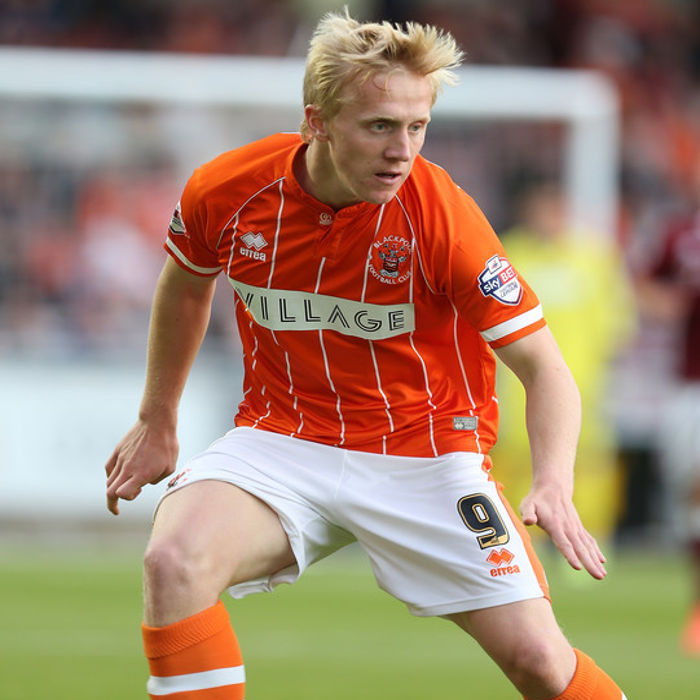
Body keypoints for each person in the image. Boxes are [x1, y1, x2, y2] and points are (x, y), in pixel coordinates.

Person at [105, 10, 627, 700]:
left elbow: (545, 368)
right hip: (284, 438)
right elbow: (184, 283)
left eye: (417, 126)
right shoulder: (228, 190)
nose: (401, 150)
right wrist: (158, 417)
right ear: (316, 121)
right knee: (172, 562)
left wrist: (554, 480)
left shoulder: (443, 217)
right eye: (379, 126)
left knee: (538, 660)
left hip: (426, 454)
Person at [493, 179, 635, 543]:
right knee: (518, 457)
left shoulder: (593, 258)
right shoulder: (508, 255)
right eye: (542, 208)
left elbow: (618, 320)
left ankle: (590, 538)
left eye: (555, 208)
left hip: (582, 383)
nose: (549, 217)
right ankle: (524, 542)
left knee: (586, 461)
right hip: (517, 385)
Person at [634, 162, 700, 656]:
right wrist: (673, 305)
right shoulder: (681, 232)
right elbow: (644, 283)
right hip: (692, 385)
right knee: (693, 497)